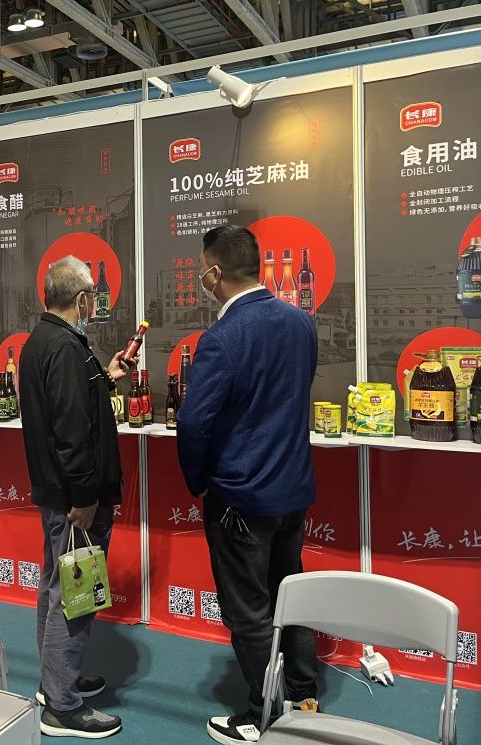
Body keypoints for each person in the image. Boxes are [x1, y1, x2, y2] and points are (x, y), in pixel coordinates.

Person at [176, 226, 319, 745]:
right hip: (292, 491)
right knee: (290, 597)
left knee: (250, 613)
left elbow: (194, 423)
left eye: (202, 271)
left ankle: (266, 716)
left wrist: (197, 481)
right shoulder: (301, 322)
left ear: (214, 273)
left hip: (240, 495)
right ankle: (304, 696)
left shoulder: (222, 337)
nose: (202, 279)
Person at [19, 255, 130, 739]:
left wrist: (105, 376)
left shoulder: (45, 341)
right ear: (83, 299)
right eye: (93, 300)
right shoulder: (64, 347)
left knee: (55, 586)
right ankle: (62, 706)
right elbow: (70, 432)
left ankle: (56, 682)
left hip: (57, 493)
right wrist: (85, 496)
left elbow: (69, 405)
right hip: (75, 499)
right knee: (75, 595)